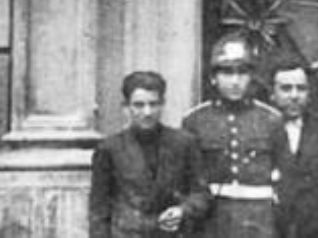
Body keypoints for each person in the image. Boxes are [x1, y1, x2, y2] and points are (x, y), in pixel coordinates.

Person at [182, 34, 283, 238]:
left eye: (242, 73)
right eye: (227, 73)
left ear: (251, 77)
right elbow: (187, 180)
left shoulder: (272, 120)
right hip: (212, 221)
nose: (235, 81)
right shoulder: (195, 120)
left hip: (259, 221)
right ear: (213, 78)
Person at [89, 71, 210, 237]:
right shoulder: (110, 149)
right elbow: (99, 210)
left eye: (153, 104)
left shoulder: (184, 143)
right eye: (139, 105)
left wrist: (182, 210)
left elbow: (201, 194)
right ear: (126, 107)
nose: (147, 112)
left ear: (163, 104)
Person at [269, 59, 318, 238]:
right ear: (272, 93)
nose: (294, 95)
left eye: (301, 88)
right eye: (286, 88)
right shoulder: (259, 131)